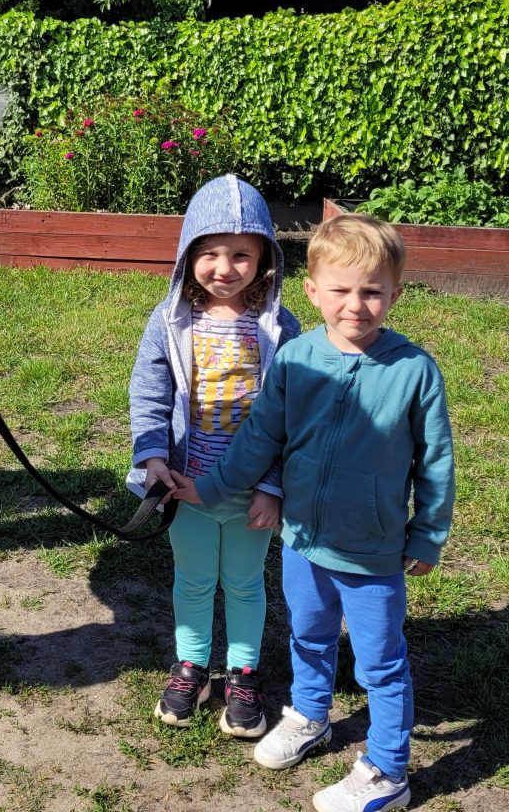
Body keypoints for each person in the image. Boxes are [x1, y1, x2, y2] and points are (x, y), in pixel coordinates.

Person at [171, 213, 455, 812]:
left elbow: (435, 462)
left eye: (372, 291)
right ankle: (310, 715)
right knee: (308, 635)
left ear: (396, 294)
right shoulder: (295, 358)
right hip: (301, 541)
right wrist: (211, 488)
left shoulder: (415, 371)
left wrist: (427, 535)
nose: (356, 305)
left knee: (381, 665)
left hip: (373, 552)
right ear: (311, 290)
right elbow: (259, 438)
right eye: (341, 289)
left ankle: (388, 771)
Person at [127, 174, 300, 737]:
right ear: (187, 255)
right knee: (194, 579)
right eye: (210, 254)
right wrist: (153, 458)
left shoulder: (280, 327)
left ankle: (242, 673)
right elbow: (149, 393)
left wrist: (273, 486)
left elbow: (292, 415)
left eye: (241, 255)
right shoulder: (169, 321)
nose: (224, 268)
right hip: (185, 486)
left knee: (246, 582)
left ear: (265, 258)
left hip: (251, 493)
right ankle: (192, 667)